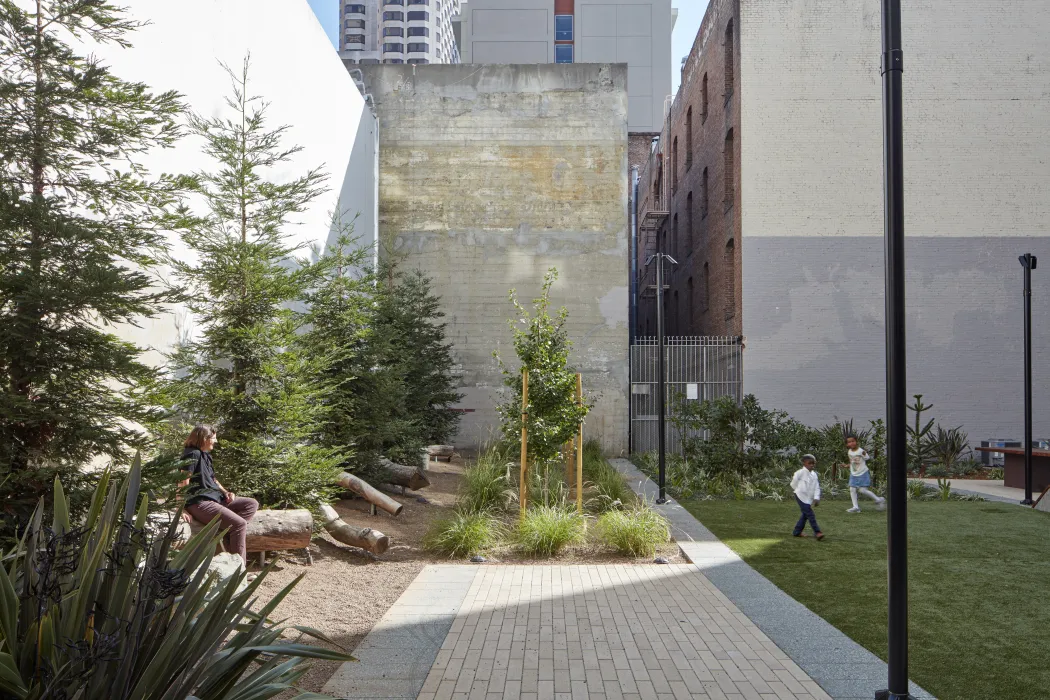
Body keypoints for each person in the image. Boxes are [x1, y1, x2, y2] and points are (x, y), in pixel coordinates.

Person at [178, 424, 258, 566]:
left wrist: (225, 492)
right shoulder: (192, 454)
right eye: (213, 438)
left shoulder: (206, 455)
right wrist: (181, 509)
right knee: (239, 524)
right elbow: (182, 481)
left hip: (216, 499)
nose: (216, 441)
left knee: (251, 504)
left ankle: (227, 534)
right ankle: (238, 570)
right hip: (200, 502)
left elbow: (212, 479)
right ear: (204, 438)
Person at [845, 435, 886, 513]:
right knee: (852, 489)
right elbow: (852, 461)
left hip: (862, 473)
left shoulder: (860, 450)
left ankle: (879, 500)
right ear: (847, 444)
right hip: (853, 474)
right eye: (849, 442)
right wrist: (847, 465)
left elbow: (867, 458)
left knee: (862, 490)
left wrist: (864, 453)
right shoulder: (849, 451)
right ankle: (855, 507)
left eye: (853, 441)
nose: (851, 443)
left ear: (856, 441)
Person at [790, 454, 824, 540]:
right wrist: (798, 490)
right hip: (800, 496)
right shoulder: (799, 473)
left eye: (813, 463)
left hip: (809, 498)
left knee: (805, 515)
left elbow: (817, 487)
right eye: (810, 463)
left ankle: (797, 532)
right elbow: (793, 483)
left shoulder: (814, 475)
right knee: (810, 514)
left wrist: (816, 498)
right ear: (804, 463)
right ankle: (817, 532)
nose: (812, 465)